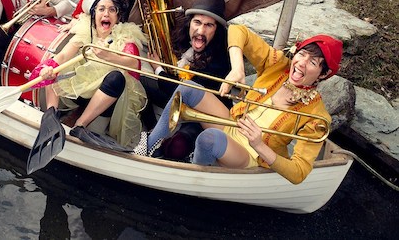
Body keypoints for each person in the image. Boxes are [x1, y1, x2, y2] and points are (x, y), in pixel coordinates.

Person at [139, 24, 342, 184]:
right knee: (188, 87)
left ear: (323, 75)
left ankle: (193, 178)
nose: (301, 64)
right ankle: (147, 149)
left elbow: (299, 173)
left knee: (209, 139)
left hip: (251, 153)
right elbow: (238, 30)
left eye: (313, 63)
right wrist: (237, 69)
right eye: (302, 54)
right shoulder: (279, 65)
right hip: (233, 122)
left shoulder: (318, 117)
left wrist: (259, 144)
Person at [32, 0, 148, 147]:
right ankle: (50, 115)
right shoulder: (86, 30)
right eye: (101, 9)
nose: (106, 13)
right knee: (54, 66)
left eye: (112, 10)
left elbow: (134, 62)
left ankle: (80, 125)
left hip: (105, 99)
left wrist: (109, 57)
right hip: (80, 90)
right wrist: (49, 67)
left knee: (117, 77)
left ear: (117, 16)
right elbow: (64, 55)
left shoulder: (125, 36)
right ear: (94, 15)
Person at [140, 0, 231, 158]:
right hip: (178, 102)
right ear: (190, 23)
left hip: (202, 116)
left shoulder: (220, 60)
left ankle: (154, 147)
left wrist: (158, 69)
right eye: (197, 22)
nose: (201, 30)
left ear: (216, 31)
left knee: (178, 146)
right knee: (139, 84)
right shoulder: (185, 40)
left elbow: (182, 92)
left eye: (209, 25)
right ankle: (152, 126)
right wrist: (151, 17)